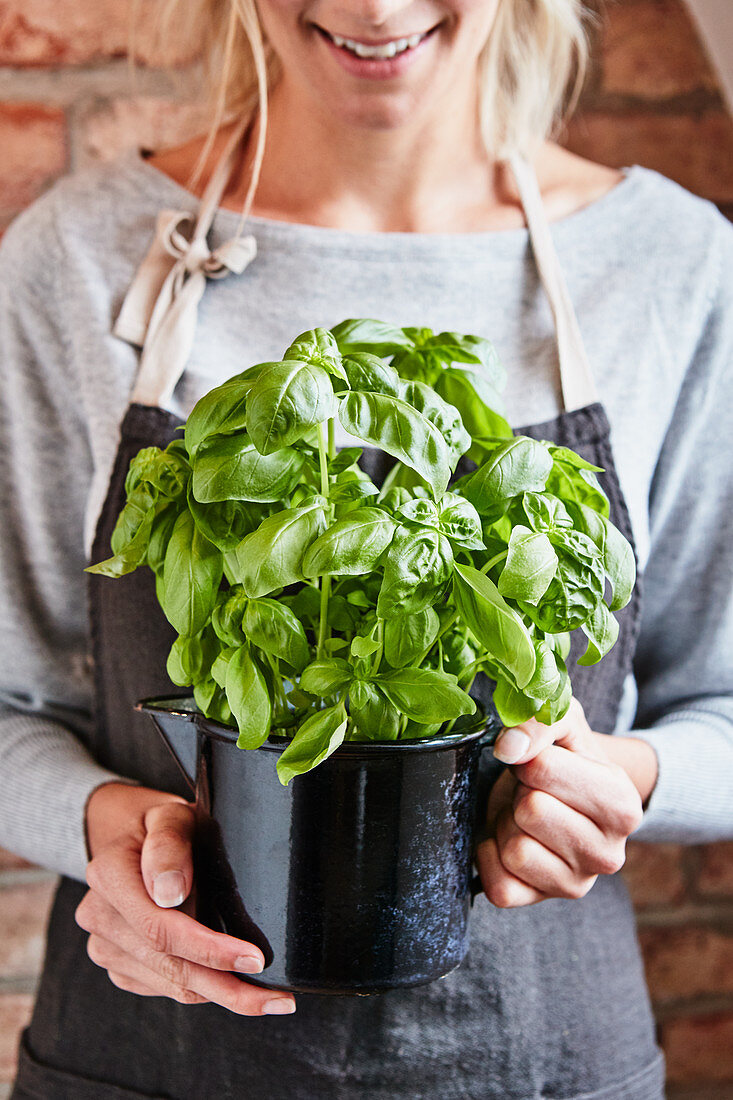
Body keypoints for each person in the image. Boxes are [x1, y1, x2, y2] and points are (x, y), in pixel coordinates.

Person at [1, 0, 732, 1095]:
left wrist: (615, 778)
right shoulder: (76, 254)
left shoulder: (671, 262)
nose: (374, 7)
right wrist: (108, 828)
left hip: (539, 1063)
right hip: (148, 1059)